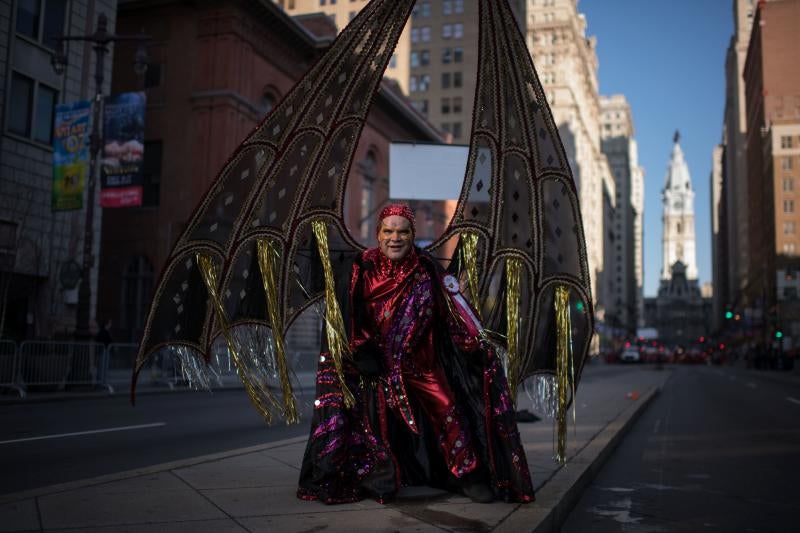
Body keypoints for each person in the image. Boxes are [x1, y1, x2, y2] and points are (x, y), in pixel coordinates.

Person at [297, 204, 534, 504]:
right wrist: (361, 349)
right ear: (378, 234)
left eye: (403, 231)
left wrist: (476, 346)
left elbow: (453, 317)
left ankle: (468, 475)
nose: (395, 238)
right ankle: (381, 476)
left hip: (422, 364)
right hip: (377, 366)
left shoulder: (428, 270)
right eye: (389, 231)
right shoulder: (361, 269)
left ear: (412, 235)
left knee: (449, 408)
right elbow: (345, 317)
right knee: (376, 419)